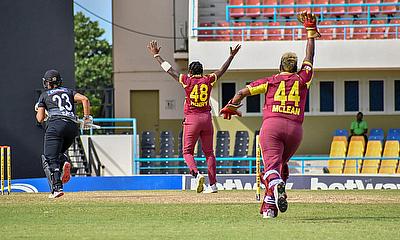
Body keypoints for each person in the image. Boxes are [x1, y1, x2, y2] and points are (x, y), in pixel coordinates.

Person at [220, 11, 319, 218]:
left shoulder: (270, 81)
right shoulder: (303, 79)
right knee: (280, 168)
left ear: (279, 66)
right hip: (295, 130)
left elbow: (241, 92)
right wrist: (310, 31)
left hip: (272, 126)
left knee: (271, 170)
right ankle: (269, 209)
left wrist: (231, 105)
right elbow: (310, 56)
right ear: (296, 66)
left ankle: (276, 188)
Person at [147, 40, 241, 193]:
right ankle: (213, 185)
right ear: (202, 71)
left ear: (190, 72)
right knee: (209, 153)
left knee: (187, 152)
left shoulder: (187, 80)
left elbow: (170, 70)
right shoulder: (208, 79)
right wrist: (231, 57)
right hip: (206, 118)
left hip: (192, 119)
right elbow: (221, 71)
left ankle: (196, 175)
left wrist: (157, 55)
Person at [35, 69, 93, 198]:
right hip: (72, 127)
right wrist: (86, 117)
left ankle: (57, 188)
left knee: (50, 158)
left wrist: (41, 110)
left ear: (47, 83)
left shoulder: (44, 95)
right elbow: (85, 99)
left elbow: (39, 119)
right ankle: (64, 160)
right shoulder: (69, 91)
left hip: (55, 126)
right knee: (58, 154)